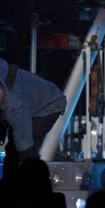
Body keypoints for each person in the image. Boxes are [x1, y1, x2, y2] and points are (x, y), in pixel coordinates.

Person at [0, 58, 67, 187]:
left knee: (16, 148)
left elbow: (24, 146)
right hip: (26, 96)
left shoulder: (15, 108)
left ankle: (33, 186)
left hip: (49, 105)